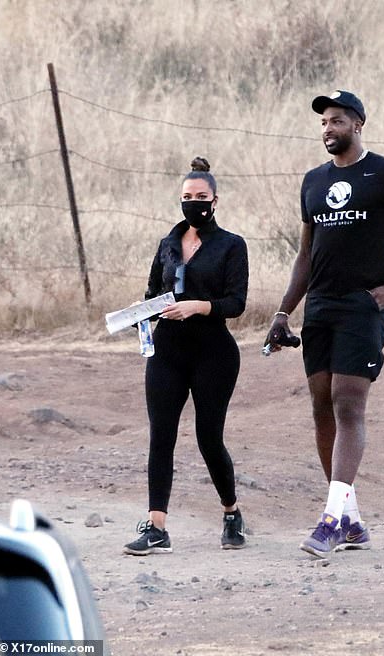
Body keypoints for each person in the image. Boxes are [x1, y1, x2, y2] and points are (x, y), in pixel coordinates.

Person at [264, 90, 384, 557]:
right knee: (322, 405)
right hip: (319, 305)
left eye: (337, 120)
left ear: (358, 124)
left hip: (364, 305)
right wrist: (284, 311)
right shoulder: (312, 181)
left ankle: (330, 520)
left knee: (348, 402)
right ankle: (352, 520)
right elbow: (305, 254)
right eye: (324, 122)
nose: (328, 128)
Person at [124, 157, 249, 554]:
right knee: (161, 434)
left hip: (213, 352)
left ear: (215, 200)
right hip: (167, 349)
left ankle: (231, 512)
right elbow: (150, 294)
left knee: (208, 437)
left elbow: (236, 302)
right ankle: (156, 526)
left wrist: (197, 305)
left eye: (200, 197)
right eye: (186, 197)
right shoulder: (167, 244)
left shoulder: (231, 245)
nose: (193, 203)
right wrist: (138, 316)